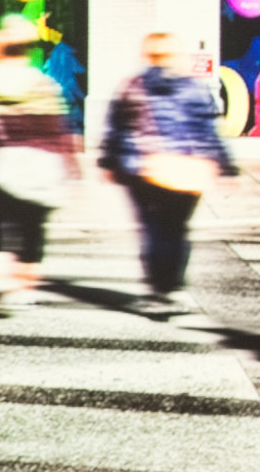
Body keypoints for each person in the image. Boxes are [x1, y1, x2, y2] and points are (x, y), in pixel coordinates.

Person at [100, 32, 237, 316]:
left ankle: (155, 289)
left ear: (147, 55)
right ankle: (173, 287)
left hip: (142, 169)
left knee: (151, 229)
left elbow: (116, 129)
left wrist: (108, 161)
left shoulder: (132, 87)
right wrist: (226, 166)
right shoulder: (196, 88)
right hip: (187, 169)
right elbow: (210, 130)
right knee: (177, 229)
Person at [0, 17, 77, 316]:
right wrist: (70, 164)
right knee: (33, 228)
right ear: (27, 51)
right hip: (40, 162)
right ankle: (23, 290)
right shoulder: (44, 83)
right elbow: (58, 128)